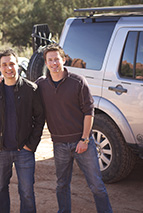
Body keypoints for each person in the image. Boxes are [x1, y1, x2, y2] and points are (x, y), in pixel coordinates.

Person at [36, 44, 112, 213]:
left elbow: (89, 111)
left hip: (82, 143)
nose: (54, 63)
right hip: (59, 145)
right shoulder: (41, 84)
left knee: (97, 186)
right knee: (62, 185)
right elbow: (22, 90)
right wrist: (1, 80)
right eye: (50, 60)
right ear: (46, 63)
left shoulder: (78, 81)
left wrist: (85, 139)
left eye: (57, 59)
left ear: (64, 59)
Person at [0, 49, 45, 213]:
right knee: (0, 189)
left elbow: (39, 119)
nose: (8, 68)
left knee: (26, 192)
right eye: (4, 65)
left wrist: (31, 145)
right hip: (0, 150)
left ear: (18, 65)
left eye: (11, 63)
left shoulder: (30, 89)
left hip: (24, 151)